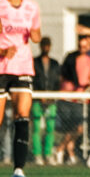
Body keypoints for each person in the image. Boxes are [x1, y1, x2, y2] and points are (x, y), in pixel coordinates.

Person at [0, 0, 42, 177]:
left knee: (23, 115)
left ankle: (18, 170)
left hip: (22, 66)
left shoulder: (32, 7)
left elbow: (37, 36)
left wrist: (35, 34)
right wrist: (1, 51)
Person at [56, 35, 90, 165]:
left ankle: (60, 148)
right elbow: (62, 76)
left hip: (79, 99)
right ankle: (70, 153)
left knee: (78, 128)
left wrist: (86, 84)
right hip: (66, 98)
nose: (82, 48)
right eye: (80, 45)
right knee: (70, 127)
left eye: (85, 46)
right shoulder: (70, 58)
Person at [32, 37, 60, 166]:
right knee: (36, 128)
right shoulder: (35, 62)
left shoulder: (54, 63)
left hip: (51, 100)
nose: (45, 48)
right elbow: (33, 80)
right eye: (43, 45)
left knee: (50, 128)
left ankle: (48, 154)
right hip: (37, 98)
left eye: (47, 45)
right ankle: (37, 154)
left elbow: (57, 81)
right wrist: (40, 94)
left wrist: (51, 95)